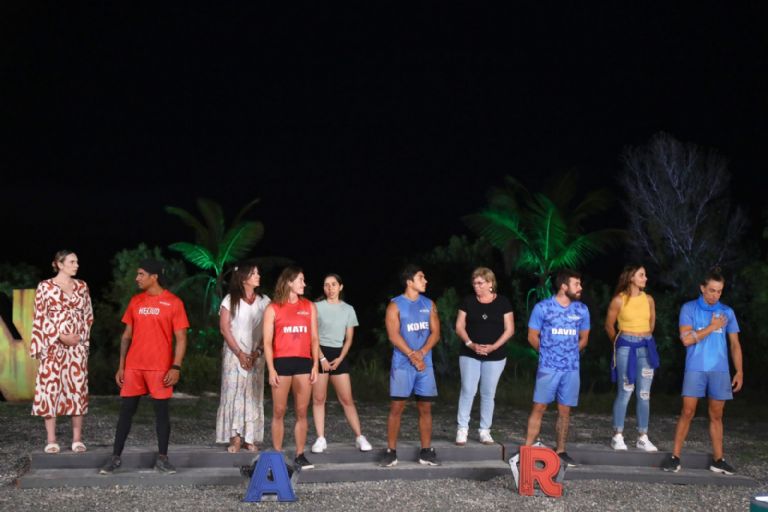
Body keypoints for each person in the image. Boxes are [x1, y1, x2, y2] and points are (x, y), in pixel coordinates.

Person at [100, 259, 189, 475]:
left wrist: (176, 367)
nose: (137, 278)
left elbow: (181, 339)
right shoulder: (135, 301)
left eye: (141, 274)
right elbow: (126, 336)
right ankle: (115, 457)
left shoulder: (174, 302)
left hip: (160, 368)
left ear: (154, 276)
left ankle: (163, 459)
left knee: (161, 414)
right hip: (134, 367)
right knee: (126, 412)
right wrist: (121, 366)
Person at [661, 269, 743, 475]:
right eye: (712, 290)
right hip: (695, 367)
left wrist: (739, 371)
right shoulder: (689, 308)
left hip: (720, 369)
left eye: (719, 291)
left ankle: (718, 460)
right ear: (702, 288)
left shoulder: (727, 312)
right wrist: (712, 326)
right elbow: (686, 339)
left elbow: (735, 344)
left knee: (716, 415)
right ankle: (675, 457)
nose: (716, 295)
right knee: (687, 412)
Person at [522, 269, 590, 468]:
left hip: (571, 369)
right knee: (539, 407)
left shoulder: (582, 310)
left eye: (580, 284)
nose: (580, 287)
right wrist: (547, 354)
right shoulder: (543, 308)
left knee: (565, 410)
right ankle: (527, 450)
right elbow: (532, 336)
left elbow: (584, 338)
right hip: (548, 367)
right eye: (576, 284)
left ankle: (561, 451)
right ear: (563, 286)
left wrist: (570, 354)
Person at [29, 250, 94, 454]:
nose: (76, 265)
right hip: (52, 346)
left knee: (77, 387)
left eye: (77, 261)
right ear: (59, 263)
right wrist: (59, 335)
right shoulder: (45, 287)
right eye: (72, 262)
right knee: (50, 388)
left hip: (76, 346)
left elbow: (88, 315)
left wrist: (80, 339)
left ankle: (77, 439)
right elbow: (40, 316)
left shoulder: (82, 286)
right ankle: (51, 440)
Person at [380, 265, 441, 467]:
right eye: (421, 277)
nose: (425, 281)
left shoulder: (429, 304)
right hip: (402, 365)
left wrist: (421, 353)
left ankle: (426, 451)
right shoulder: (395, 305)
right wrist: (412, 356)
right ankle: (391, 452)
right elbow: (393, 335)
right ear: (409, 282)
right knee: (397, 408)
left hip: (425, 365)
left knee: (425, 408)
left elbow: (435, 333)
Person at [262, 266, 320, 470]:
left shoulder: (309, 306)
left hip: (303, 363)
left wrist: (315, 364)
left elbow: (314, 338)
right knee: (279, 411)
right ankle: (277, 456)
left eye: (304, 280)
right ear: (289, 282)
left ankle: (300, 455)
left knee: (302, 411)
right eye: (300, 280)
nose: (304, 284)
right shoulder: (273, 308)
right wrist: (271, 369)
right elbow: (267, 342)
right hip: (281, 363)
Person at [310, 273, 372, 453]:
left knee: (347, 399)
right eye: (326, 285)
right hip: (320, 353)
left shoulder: (348, 309)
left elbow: (349, 339)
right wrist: (321, 358)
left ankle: (359, 437)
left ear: (340, 287)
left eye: (333, 284)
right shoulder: (316, 307)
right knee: (319, 399)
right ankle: (321, 438)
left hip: (339, 355)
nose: (330, 288)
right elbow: (312, 336)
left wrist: (341, 358)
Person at [454, 267, 514, 446]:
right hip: (469, 353)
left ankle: (484, 430)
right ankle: (462, 429)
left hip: (495, 355)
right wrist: (470, 344)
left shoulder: (503, 302)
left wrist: (494, 347)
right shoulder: (468, 301)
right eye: (474, 283)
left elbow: (509, 329)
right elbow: (459, 326)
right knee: (468, 390)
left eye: (480, 283)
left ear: (490, 283)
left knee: (488, 393)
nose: (476, 286)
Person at [215, 262, 271, 453]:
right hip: (234, 354)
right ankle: (235, 438)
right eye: (254, 273)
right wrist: (239, 353)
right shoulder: (230, 300)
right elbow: (224, 328)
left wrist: (258, 352)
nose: (258, 276)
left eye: (258, 273)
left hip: (256, 355)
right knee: (234, 393)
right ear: (243, 278)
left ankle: (250, 437)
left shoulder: (264, 301)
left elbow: (269, 328)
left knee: (252, 394)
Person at [604, 265, 660, 452]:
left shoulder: (649, 299)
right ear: (631, 278)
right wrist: (620, 343)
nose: (645, 278)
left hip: (646, 348)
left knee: (644, 394)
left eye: (645, 275)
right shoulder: (618, 300)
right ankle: (617, 435)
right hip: (626, 348)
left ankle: (642, 437)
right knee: (625, 391)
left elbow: (651, 323)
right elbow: (609, 325)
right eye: (641, 275)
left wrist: (643, 336)